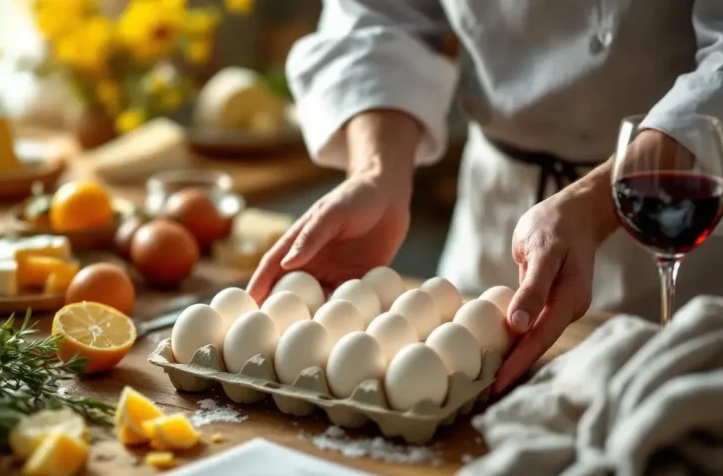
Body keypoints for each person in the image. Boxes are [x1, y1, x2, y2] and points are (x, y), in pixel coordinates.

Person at [247, 1, 723, 393]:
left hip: (677, 210)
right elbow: (378, 17)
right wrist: (377, 173)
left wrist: (599, 201)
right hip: (496, 212)